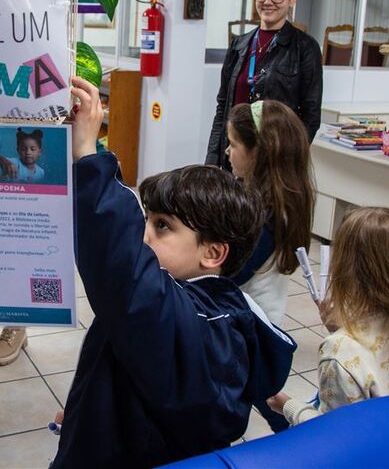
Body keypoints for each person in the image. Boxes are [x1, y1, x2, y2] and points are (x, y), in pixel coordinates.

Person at [50, 77, 296, 468]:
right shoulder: (182, 305)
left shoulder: (204, 321)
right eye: (147, 219)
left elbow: (126, 278)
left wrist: (88, 155)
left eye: (162, 226)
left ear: (213, 253)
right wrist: (87, 414)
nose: (144, 235)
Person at [267, 207, 389, 425]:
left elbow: (332, 436)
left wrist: (287, 406)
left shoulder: (337, 352)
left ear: (346, 272)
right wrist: (341, 329)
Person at [226, 99, 315, 431]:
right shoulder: (278, 198)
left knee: (257, 392)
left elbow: (231, 273)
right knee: (262, 393)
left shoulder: (266, 215)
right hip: (258, 317)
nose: (227, 152)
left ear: (258, 152)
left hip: (252, 323)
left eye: (234, 144)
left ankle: (296, 435)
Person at [206, 0, 323, 169]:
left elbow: (310, 116)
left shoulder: (305, 48)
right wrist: (212, 161)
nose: (268, 2)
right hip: (234, 158)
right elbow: (222, 107)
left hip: (275, 163)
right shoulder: (239, 45)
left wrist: (287, 162)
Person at [0, 128, 46, 365]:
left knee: (22, 267)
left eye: (32, 149)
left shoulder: (39, 172)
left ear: (40, 152)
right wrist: (2, 162)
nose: (28, 153)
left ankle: (16, 326)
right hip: (0, 215)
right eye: (23, 149)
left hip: (27, 222)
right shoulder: (12, 162)